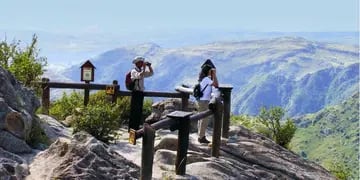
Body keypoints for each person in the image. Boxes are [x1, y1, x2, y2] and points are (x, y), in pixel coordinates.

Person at [129, 56, 154, 132]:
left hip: (140, 93)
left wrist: (149, 67)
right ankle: (131, 128)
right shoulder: (133, 71)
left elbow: (151, 73)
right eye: (140, 62)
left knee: (139, 110)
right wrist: (143, 68)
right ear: (137, 63)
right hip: (135, 92)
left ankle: (136, 128)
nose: (142, 64)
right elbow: (139, 76)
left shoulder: (140, 70)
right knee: (134, 111)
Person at [197, 63, 219, 144]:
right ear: (207, 71)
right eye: (210, 71)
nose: (211, 72)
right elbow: (216, 84)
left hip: (201, 100)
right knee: (204, 119)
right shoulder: (206, 79)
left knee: (201, 118)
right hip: (204, 101)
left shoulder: (203, 78)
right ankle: (201, 137)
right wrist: (215, 75)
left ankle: (200, 136)